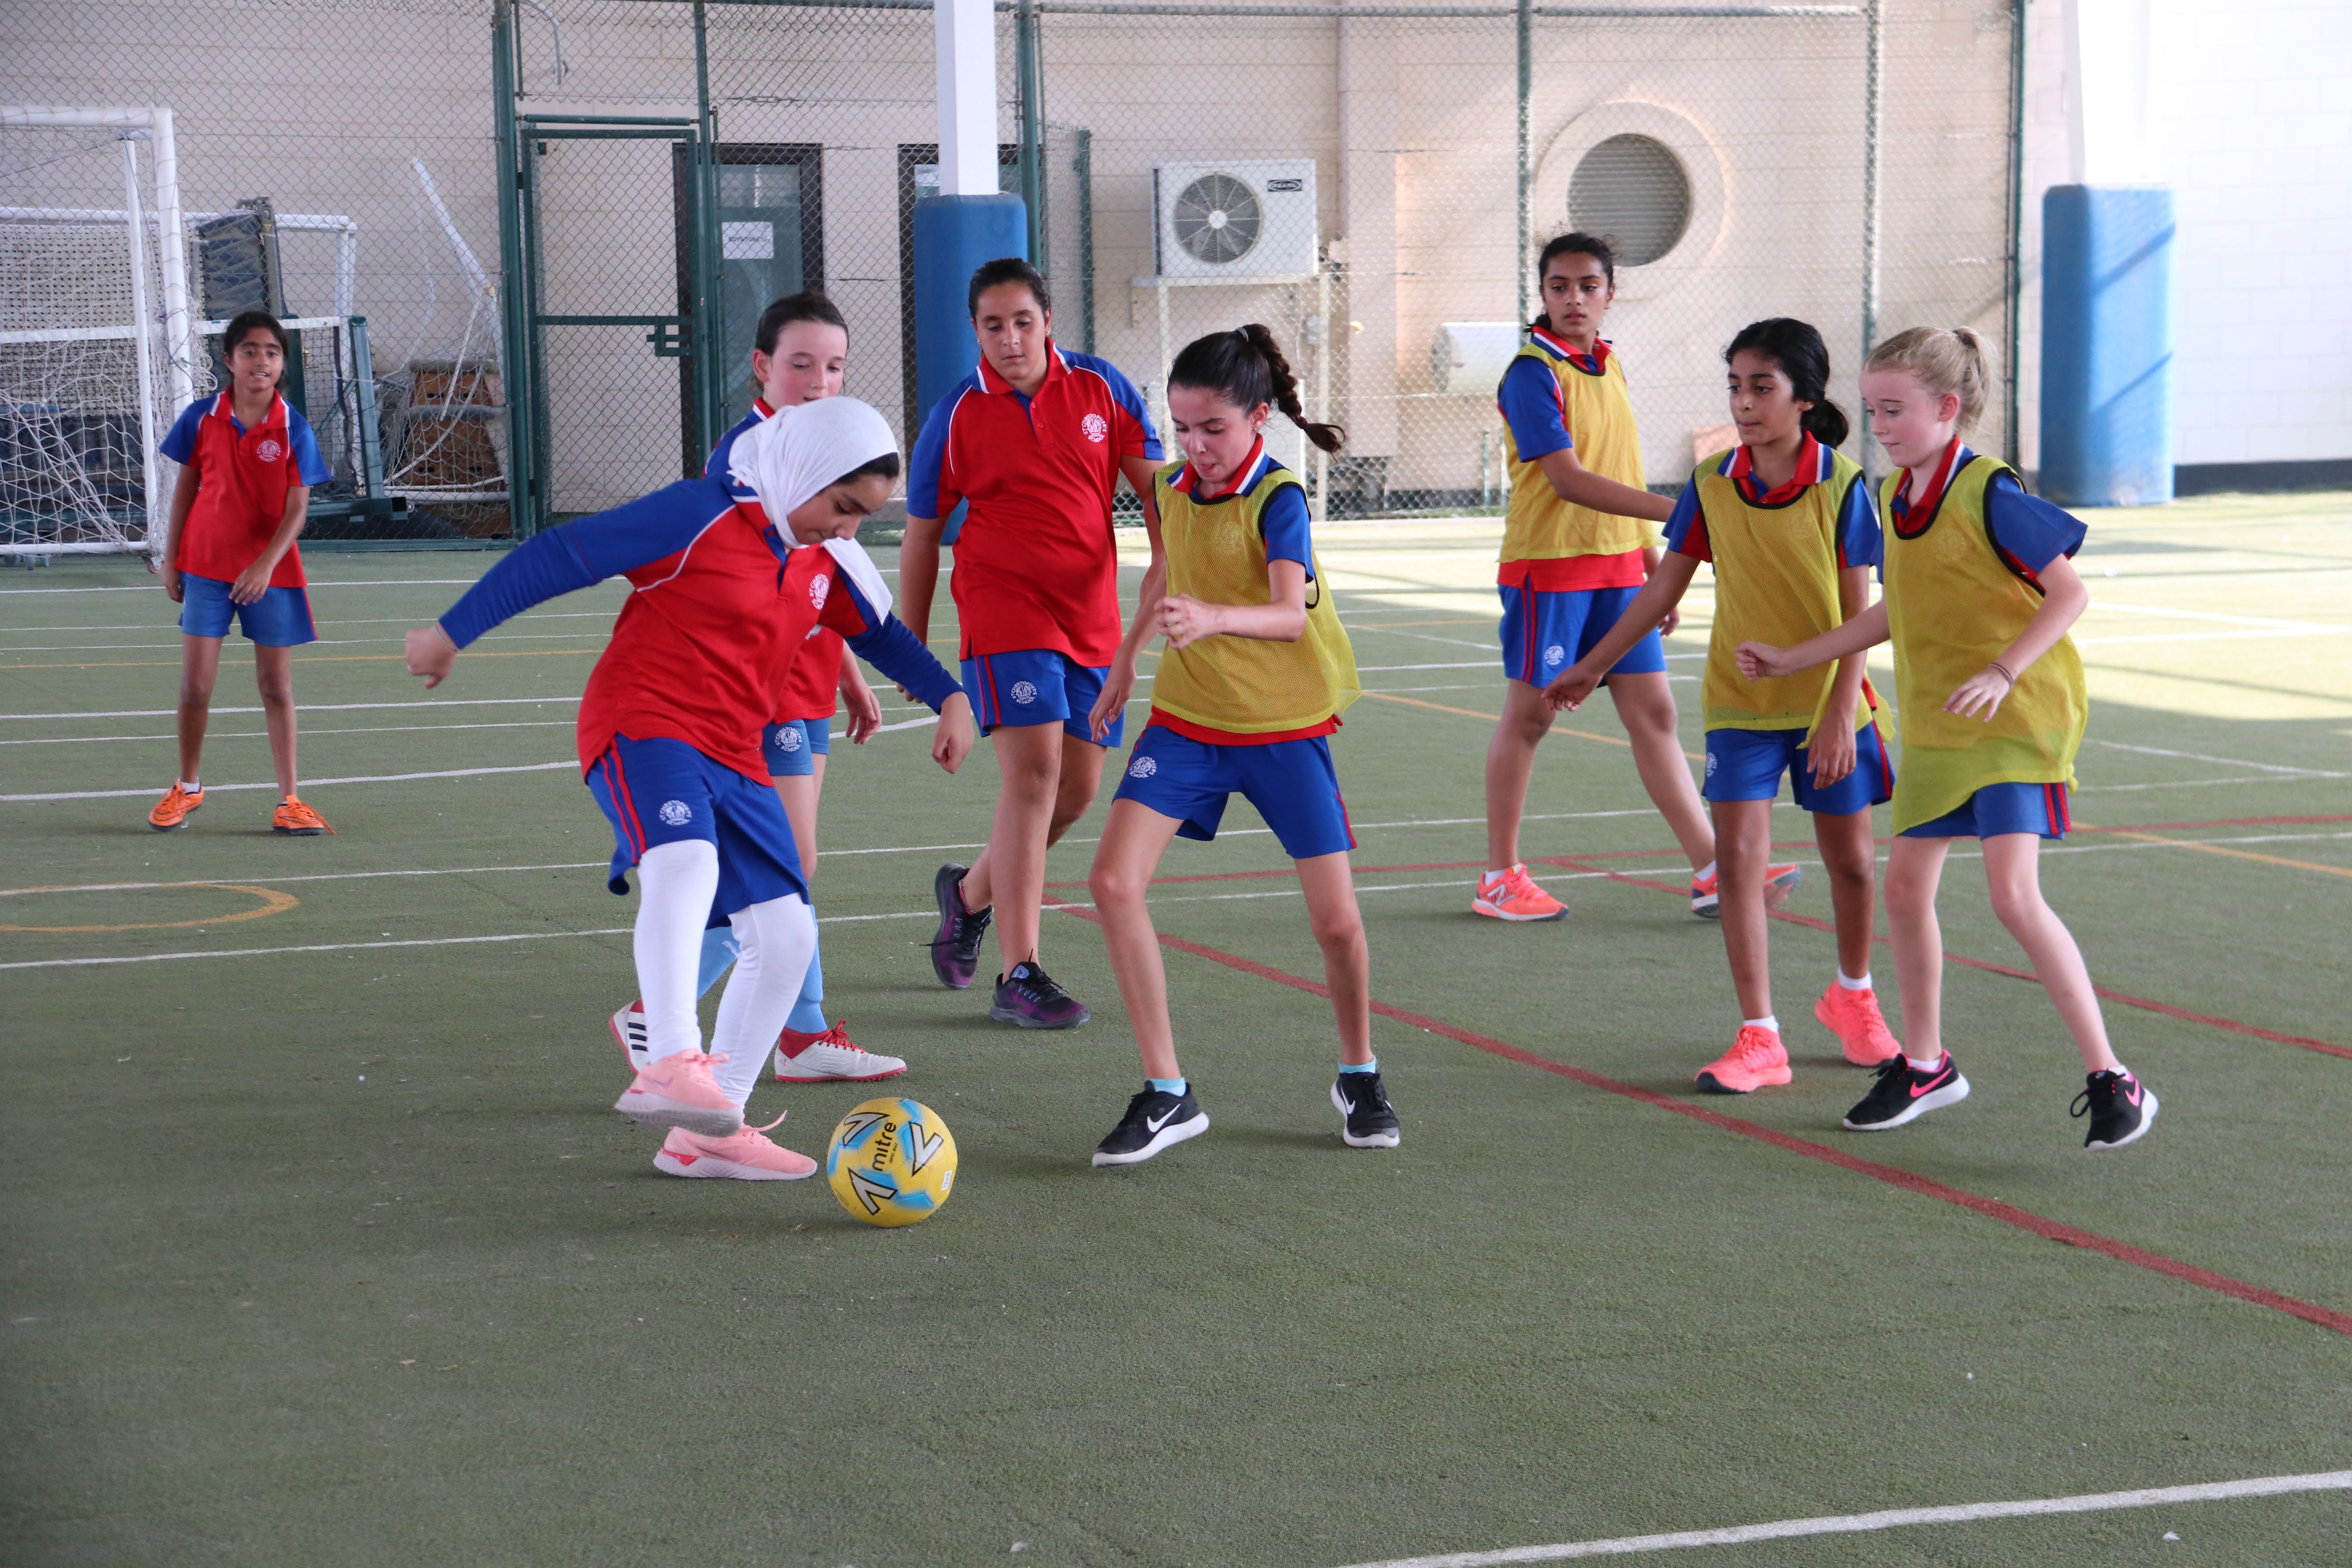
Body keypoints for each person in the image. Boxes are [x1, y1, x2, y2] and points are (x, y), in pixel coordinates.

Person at [405, 399, 977, 1180]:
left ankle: (708, 1132)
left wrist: (946, 694)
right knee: (686, 863)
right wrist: (451, 632)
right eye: (842, 509)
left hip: (735, 751)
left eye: (862, 519)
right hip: (643, 723)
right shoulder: (698, 515)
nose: (847, 531)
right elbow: (560, 554)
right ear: (802, 472)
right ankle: (670, 1059)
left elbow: (878, 632)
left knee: (786, 937)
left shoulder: (822, 558)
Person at [1735, 327, 2157, 1150]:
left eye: (1893, 410)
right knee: (1903, 893)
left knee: (2011, 895)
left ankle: (2113, 1078)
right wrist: (1798, 654)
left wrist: (2001, 671)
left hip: (2017, 721)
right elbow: (1900, 609)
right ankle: (1924, 1065)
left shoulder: (1989, 491)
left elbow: (2066, 596)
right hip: (1938, 724)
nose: (1879, 425)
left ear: (1947, 407)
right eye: (1872, 410)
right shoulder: (1893, 497)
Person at [1547, 319, 1899, 1094]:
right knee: (1737, 865)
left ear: (1804, 399)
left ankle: (1854, 997)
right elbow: (1660, 592)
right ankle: (1759, 1036)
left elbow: (1859, 612)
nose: (1743, 402)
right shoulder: (1710, 483)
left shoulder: (1841, 485)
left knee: (1853, 865)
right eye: (1735, 386)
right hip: (1739, 705)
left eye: (1761, 387)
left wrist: (1842, 710)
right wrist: (1590, 667)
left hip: (1827, 707)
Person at [1086, 326, 1392, 1166]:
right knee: (1111, 881)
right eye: (1181, 428)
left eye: (1210, 428)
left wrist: (1214, 619)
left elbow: (1288, 614)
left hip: (1282, 729)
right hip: (1187, 722)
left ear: (1257, 419)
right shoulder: (1176, 489)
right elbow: (1162, 576)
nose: (1194, 446)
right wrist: (1123, 670)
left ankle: (1358, 1072)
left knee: (1336, 925)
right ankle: (1167, 1092)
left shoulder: (1277, 497)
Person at [606, 292, 898, 1086]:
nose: (819, 379)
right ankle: (658, 1015)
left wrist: (849, 670)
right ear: (762, 367)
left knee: (793, 869)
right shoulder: (748, 457)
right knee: (783, 865)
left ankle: (802, 1035)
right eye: (802, 363)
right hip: (751, 700)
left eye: (834, 365)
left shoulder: (836, 446)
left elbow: (823, 573)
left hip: (806, 683)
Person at [1474, 233, 1795, 923]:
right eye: (1558, 286)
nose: (1573, 298)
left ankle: (1712, 870)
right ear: (1542, 293)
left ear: (1610, 293)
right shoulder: (1532, 372)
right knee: (1529, 719)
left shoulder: (1606, 363)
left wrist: (1654, 560)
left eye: (1588, 285)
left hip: (1620, 568)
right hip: (1550, 568)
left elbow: (1619, 467)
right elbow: (1567, 480)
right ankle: (1499, 877)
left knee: (1654, 714)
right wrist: (1686, 511)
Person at [900, 258, 1163, 1028]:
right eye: (992, 325)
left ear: (1048, 321)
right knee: (1035, 773)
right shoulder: (955, 417)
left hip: (1091, 619)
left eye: (1022, 321)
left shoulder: (1103, 389)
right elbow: (921, 541)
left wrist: (1158, 600)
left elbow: (1159, 502)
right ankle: (1021, 972)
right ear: (974, 331)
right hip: (1002, 608)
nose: (1010, 338)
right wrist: (912, 651)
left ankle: (969, 894)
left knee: (1078, 788)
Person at [147, 310, 335, 836]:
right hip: (206, 567)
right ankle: (187, 787)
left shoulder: (294, 426)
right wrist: (171, 558)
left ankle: (290, 799)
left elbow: (297, 509)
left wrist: (264, 565)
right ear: (229, 360)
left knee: (276, 687)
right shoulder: (202, 417)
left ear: (282, 366)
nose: (261, 360)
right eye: (250, 350)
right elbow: (186, 488)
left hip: (270, 572)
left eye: (272, 352)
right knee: (195, 688)